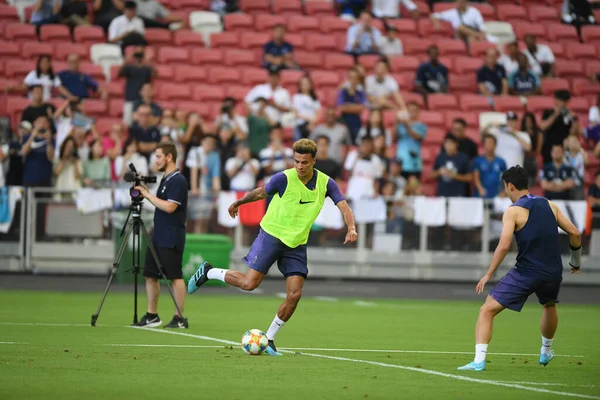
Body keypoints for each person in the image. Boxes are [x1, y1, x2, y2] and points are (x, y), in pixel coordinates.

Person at [187, 139, 358, 356]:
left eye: (305, 162)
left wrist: (351, 228)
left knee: (295, 295)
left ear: (314, 160)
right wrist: (238, 203)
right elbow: (260, 192)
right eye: (296, 161)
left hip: (296, 244)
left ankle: (269, 339)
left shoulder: (326, 183)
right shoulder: (284, 178)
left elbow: (344, 207)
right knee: (249, 284)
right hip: (271, 236)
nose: (300, 166)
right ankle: (209, 271)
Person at [458, 166, 582, 371]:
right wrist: (575, 262)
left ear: (510, 186)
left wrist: (489, 273)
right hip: (553, 272)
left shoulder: (513, 211)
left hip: (526, 272)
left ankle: (479, 361)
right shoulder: (549, 205)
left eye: (505, 187)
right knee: (549, 305)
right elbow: (575, 234)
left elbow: (504, 245)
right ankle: (546, 351)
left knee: (486, 310)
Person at [133, 142, 190, 329]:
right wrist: (147, 193)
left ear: (169, 157)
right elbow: (161, 203)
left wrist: (148, 196)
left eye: (158, 156)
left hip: (171, 235)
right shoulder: (166, 179)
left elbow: (170, 207)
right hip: (158, 234)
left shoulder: (178, 180)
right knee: (150, 274)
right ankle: (152, 315)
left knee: (175, 276)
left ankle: (179, 317)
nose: (155, 160)